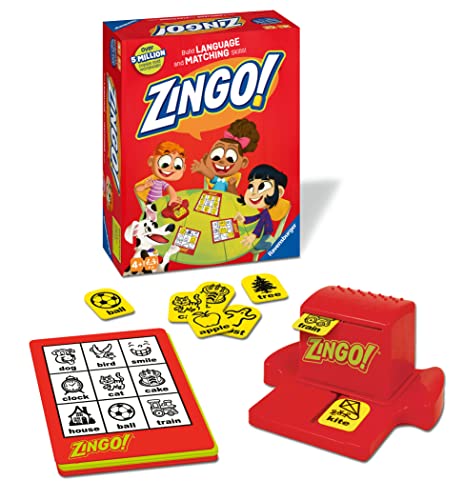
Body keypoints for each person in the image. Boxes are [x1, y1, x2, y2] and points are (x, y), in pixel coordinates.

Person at [191, 118, 259, 194]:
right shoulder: (208, 178)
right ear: (206, 158)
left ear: (244, 162)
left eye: (230, 158)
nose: (222, 160)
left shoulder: (233, 179)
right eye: (216, 156)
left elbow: (233, 197)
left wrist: (231, 187)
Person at [235, 164, 288, 251]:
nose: (254, 192)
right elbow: (257, 218)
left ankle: (269, 244)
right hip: (260, 233)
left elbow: (260, 223)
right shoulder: (264, 212)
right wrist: (245, 219)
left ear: (279, 192)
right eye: (251, 187)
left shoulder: (265, 213)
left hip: (264, 236)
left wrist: (253, 235)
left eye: (262, 186)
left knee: (245, 244)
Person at [136, 141, 186, 205]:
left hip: (159, 203)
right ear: (151, 161)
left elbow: (169, 188)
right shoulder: (151, 180)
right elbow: (137, 189)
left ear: (184, 168)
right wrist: (145, 186)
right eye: (165, 163)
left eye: (177, 165)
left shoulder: (161, 182)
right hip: (149, 203)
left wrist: (173, 197)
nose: (171, 168)